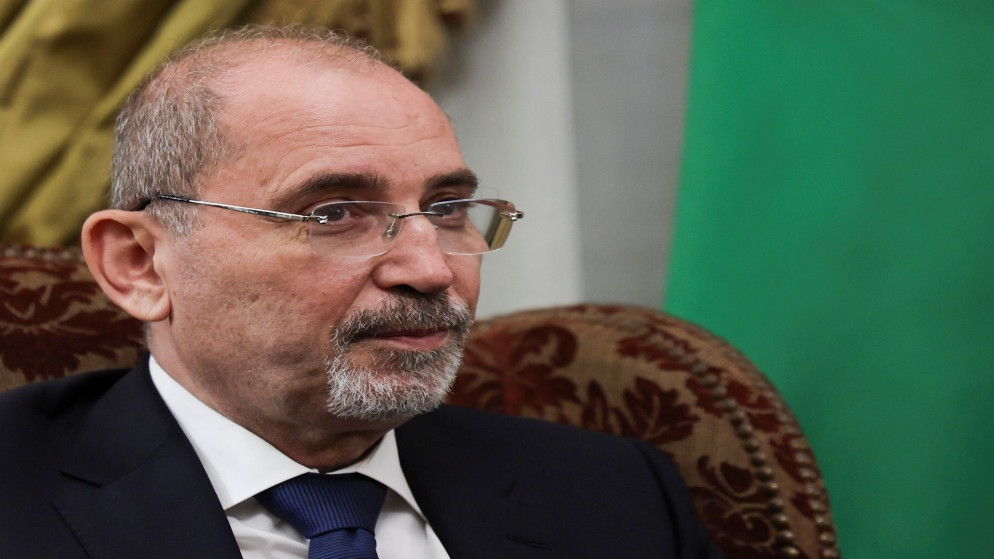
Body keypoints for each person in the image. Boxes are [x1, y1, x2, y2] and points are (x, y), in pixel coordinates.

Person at [0, 26, 724, 558]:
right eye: (334, 213)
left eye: (447, 209)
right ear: (140, 264)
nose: (430, 269)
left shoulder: (610, 495)